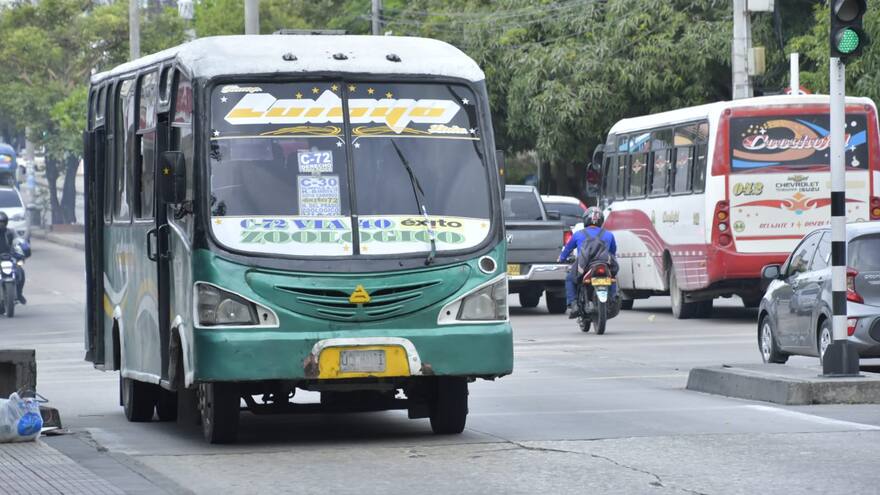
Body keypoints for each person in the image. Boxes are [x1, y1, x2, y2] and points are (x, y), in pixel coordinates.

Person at [557, 207, 616, 318]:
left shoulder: (578, 234)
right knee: (612, 277)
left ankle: (573, 304)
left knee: (570, 279)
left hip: (584, 266)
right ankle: (612, 299)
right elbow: (613, 252)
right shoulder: (609, 235)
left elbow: (567, 249)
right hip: (603, 264)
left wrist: (561, 258)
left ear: (586, 220)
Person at [0, 212, 26, 304]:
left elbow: (17, 242)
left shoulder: (11, 232)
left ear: (6, 222)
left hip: (9, 257)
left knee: (20, 271)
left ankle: (19, 293)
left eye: (2, 222)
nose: (1, 224)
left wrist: (23, 249)